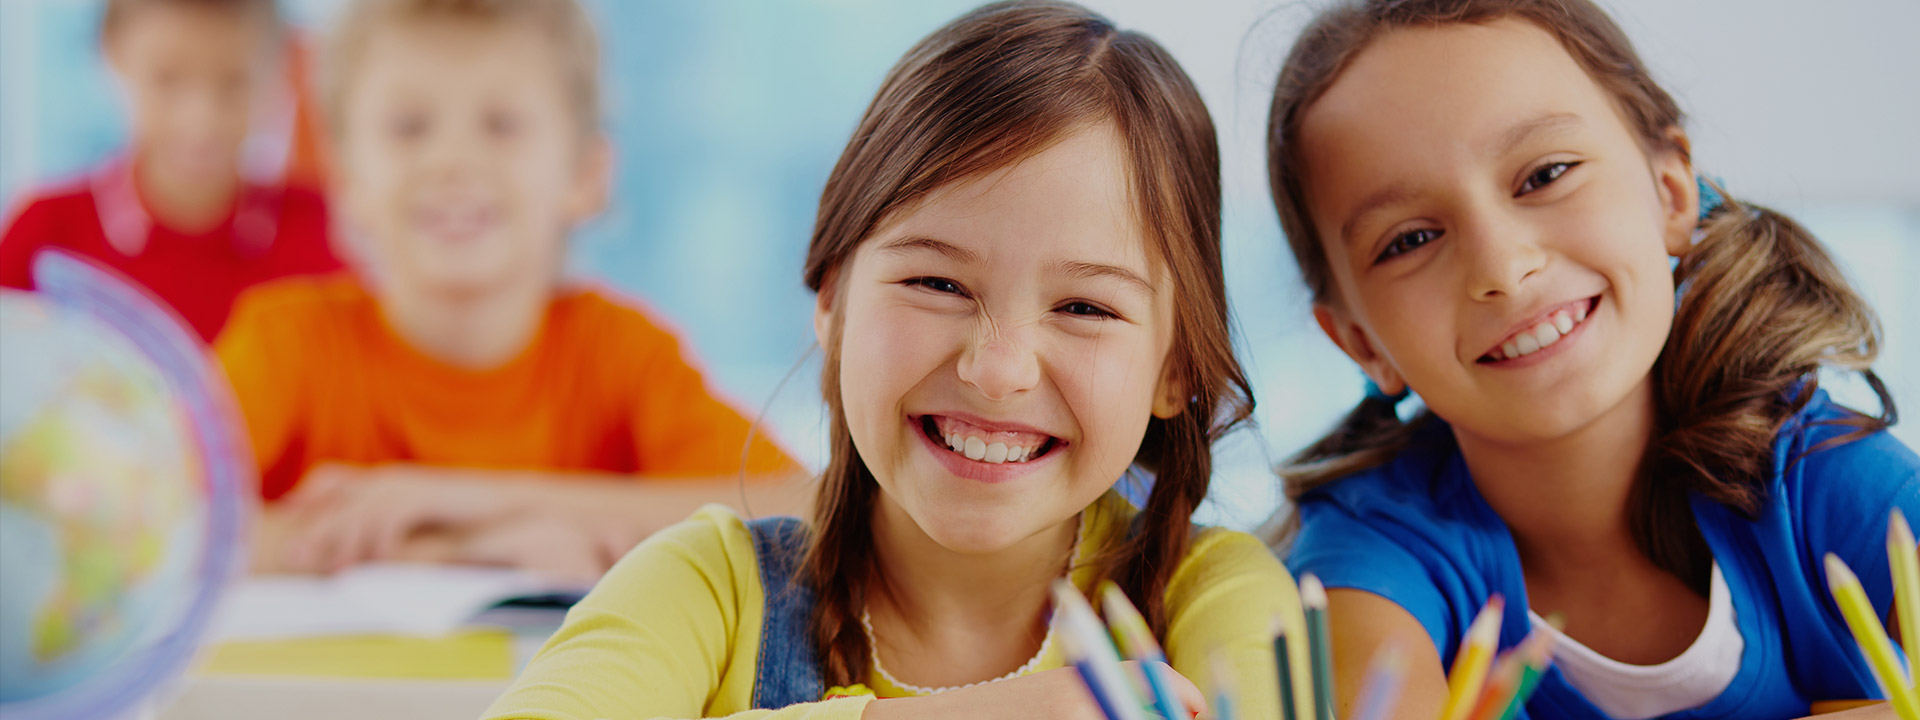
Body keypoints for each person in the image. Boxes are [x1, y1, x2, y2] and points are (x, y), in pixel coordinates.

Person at [483, 2, 1297, 717]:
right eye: (937, 282)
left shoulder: (1216, 601)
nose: (997, 368)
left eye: (1084, 307)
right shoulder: (708, 588)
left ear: (1176, 368)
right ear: (832, 301)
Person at [1265, 1, 1918, 717]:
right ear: (1361, 344)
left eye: (1546, 174)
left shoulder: (1830, 482)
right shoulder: (1367, 557)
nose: (1504, 267)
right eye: (1410, 241)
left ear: (1670, 192)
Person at [219, 0, 803, 582]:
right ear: (346, 181)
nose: (452, 160)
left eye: (502, 125)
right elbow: (161, 523)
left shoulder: (623, 355)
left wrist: (470, 500)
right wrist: (454, 553)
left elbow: (814, 511)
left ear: (585, 175)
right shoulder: (283, 344)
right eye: (409, 127)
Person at [0, 0, 341, 343]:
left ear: (280, 66)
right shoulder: (44, 236)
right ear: (112, 53)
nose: (201, 120)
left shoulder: (329, 234)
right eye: (167, 79)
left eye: (234, 83)